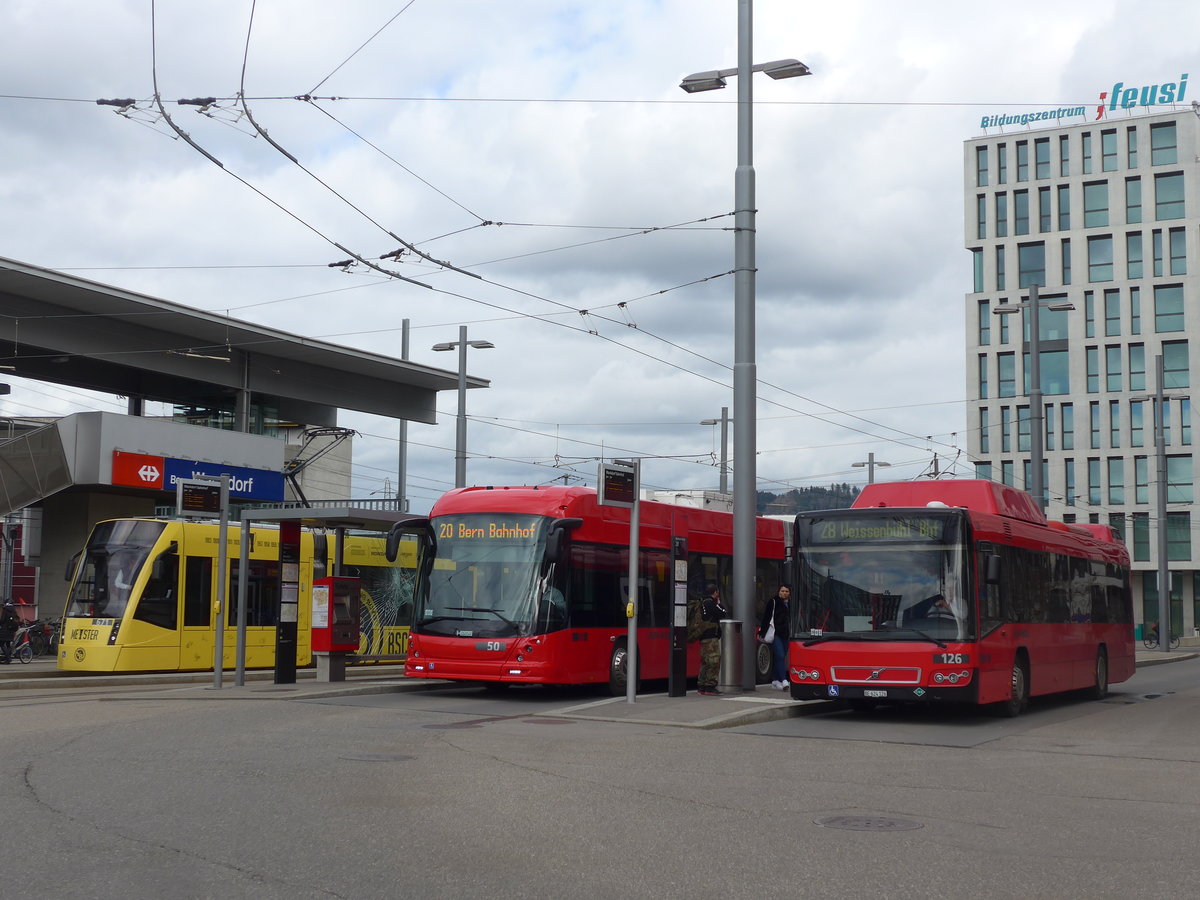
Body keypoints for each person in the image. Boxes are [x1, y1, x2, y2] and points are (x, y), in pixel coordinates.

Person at [697, 583, 728, 695]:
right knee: (714, 661)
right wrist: (719, 604)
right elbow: (723, 613)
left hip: (702, 637)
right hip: (711, 637)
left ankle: (701, 685)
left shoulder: (701, 603)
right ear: (715, 592)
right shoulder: (711, 603)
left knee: (705, 662)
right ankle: (710, 686)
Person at [759, 584, 791, 690]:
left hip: (786, 634)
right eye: (782, 591)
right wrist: (762, 632)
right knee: (780, 655)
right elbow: (766, 617)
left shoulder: (791, 604)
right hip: (775, 633)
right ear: (778, 592)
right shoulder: (773, 602)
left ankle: (776, 680)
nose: (784, 593)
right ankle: (784, 680)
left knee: (780, 657)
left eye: (786, 591)